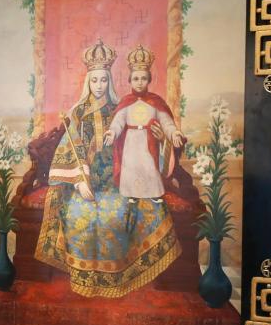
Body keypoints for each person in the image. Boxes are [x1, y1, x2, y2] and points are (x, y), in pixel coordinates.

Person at [35, 41, 181, 297]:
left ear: (110, 81)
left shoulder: (120, 109)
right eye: (95, 81)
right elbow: (71, 147)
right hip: (87, 181)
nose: (99, 85)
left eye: (104, 80)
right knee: (81, 215)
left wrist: (159, 137)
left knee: (116, 215)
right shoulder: (78, 113)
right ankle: (85, 280)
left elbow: (140, 141)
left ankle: (115, 280)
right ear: (88, 82)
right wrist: (80, 180)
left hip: (118, 179)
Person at [103, 44, 185, 201]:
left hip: (149, 141)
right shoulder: (126, 102)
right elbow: (118, 122)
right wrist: (112, 132)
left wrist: (174, 132)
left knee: (149, 168)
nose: (139, 82)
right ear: (130, 81)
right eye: (136, 79)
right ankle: (131, 194)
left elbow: (166, 122)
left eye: (143, 78)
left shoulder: (155, 102)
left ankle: (153, 193)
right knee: (131, 167)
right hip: (131, 142)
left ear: (149, 80)